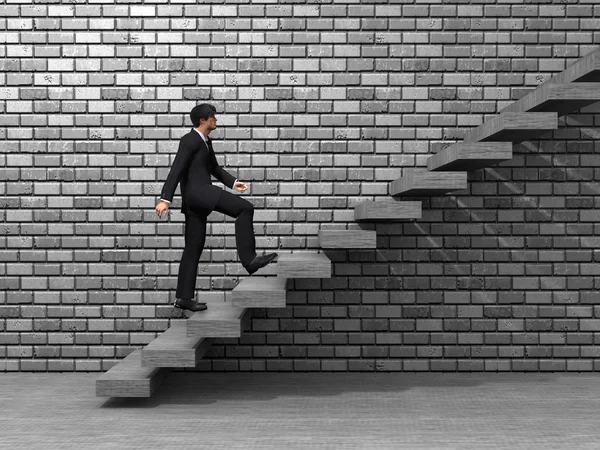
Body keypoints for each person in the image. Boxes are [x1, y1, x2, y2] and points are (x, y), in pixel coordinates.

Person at [155, 103, 278, 312]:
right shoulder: (189, 140)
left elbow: (213, 167)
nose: (216, 119)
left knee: (193, 249)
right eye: (213, 116)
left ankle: (183, 298)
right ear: (203, 120)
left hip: (197, 198)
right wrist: (165, 199)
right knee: (245, 208)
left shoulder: (205, 141)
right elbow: (175, 170)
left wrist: (232, 182)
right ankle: (250, 260)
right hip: (199, 193)